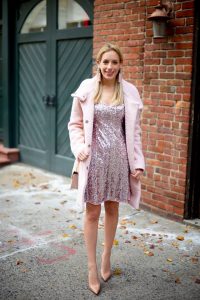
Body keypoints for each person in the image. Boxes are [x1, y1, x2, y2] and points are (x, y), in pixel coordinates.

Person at [68, 43, 145, 295]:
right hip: (93, 160)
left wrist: (138, 163)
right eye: (105, 62)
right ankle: (91, 267)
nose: (109, 67)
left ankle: (106, 256)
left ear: (120, 64)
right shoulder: (87, 89)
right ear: (98, 64)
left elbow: (134, 132)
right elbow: (75, 124)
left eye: (114, 62)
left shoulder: (129, 92)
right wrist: (78, 146)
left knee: (112, 208)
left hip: (118, 160)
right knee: (92, 213)